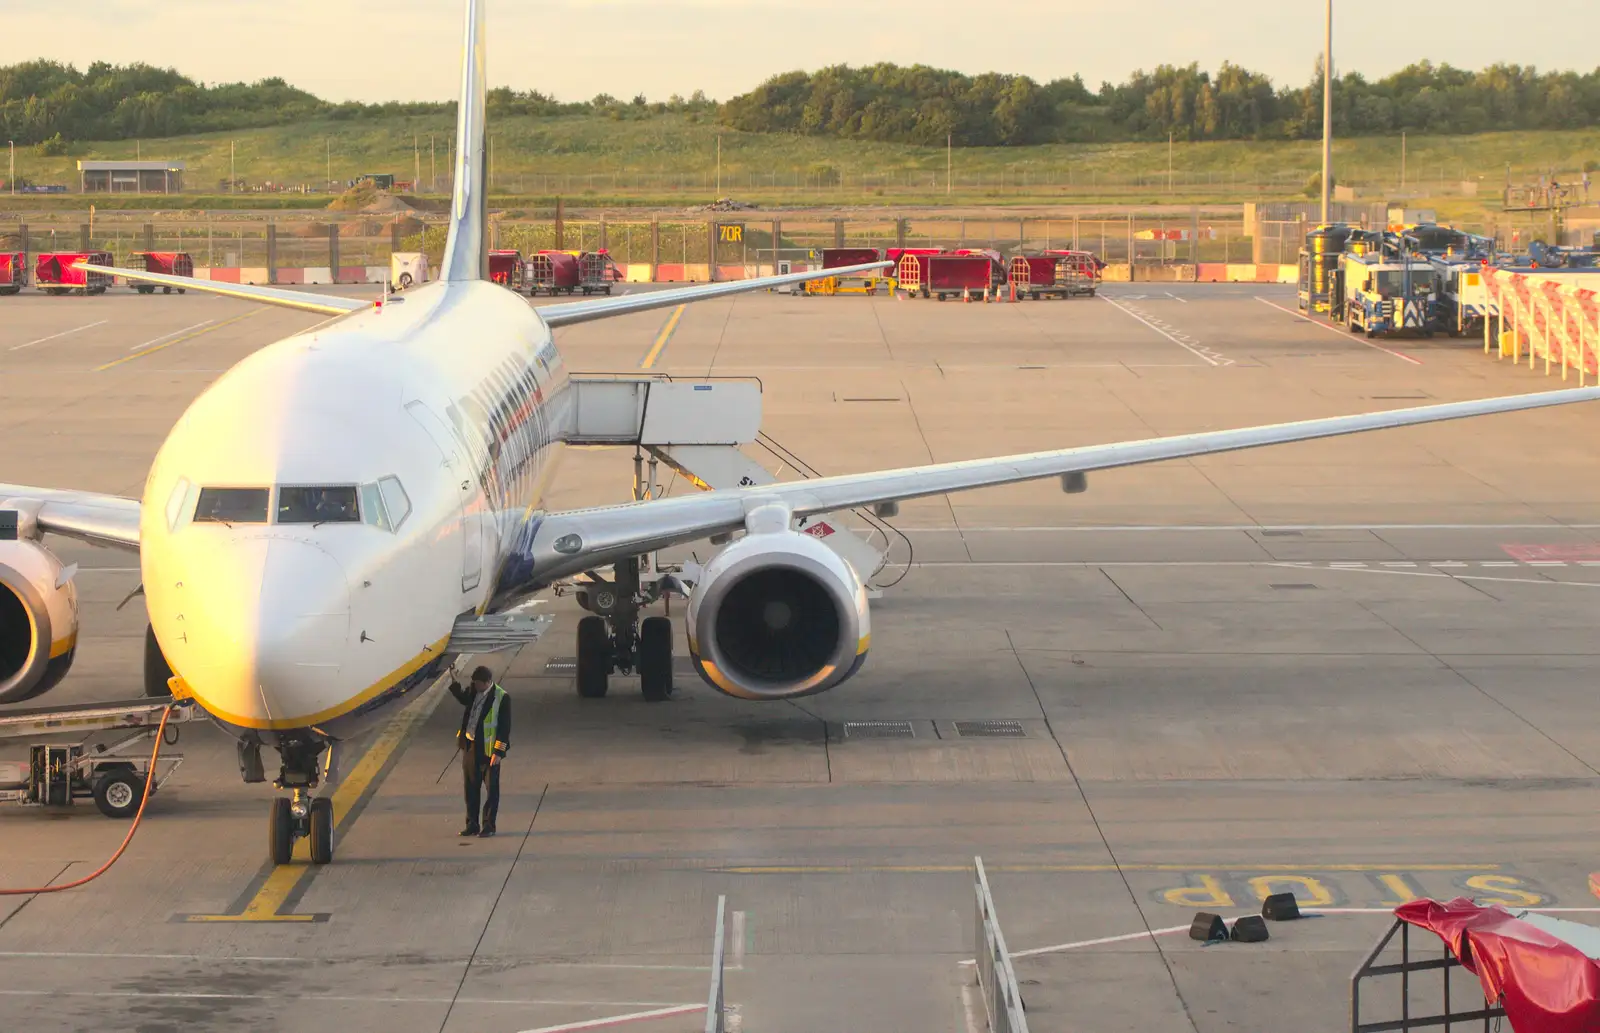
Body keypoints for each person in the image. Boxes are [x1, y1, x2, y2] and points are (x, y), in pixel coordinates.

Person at [449, 664, 510, 837]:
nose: (475, 687)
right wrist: (454, 682)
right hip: (470, 748)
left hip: (489, 752)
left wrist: (498, 753)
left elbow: (504, 728)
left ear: (488, 682)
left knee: (491, 791)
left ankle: (489, 826)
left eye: (478, 684)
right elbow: (464, 699)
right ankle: (472, 824)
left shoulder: (501, 698)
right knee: (470, 789)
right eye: (473, 683)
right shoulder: (474, 690)